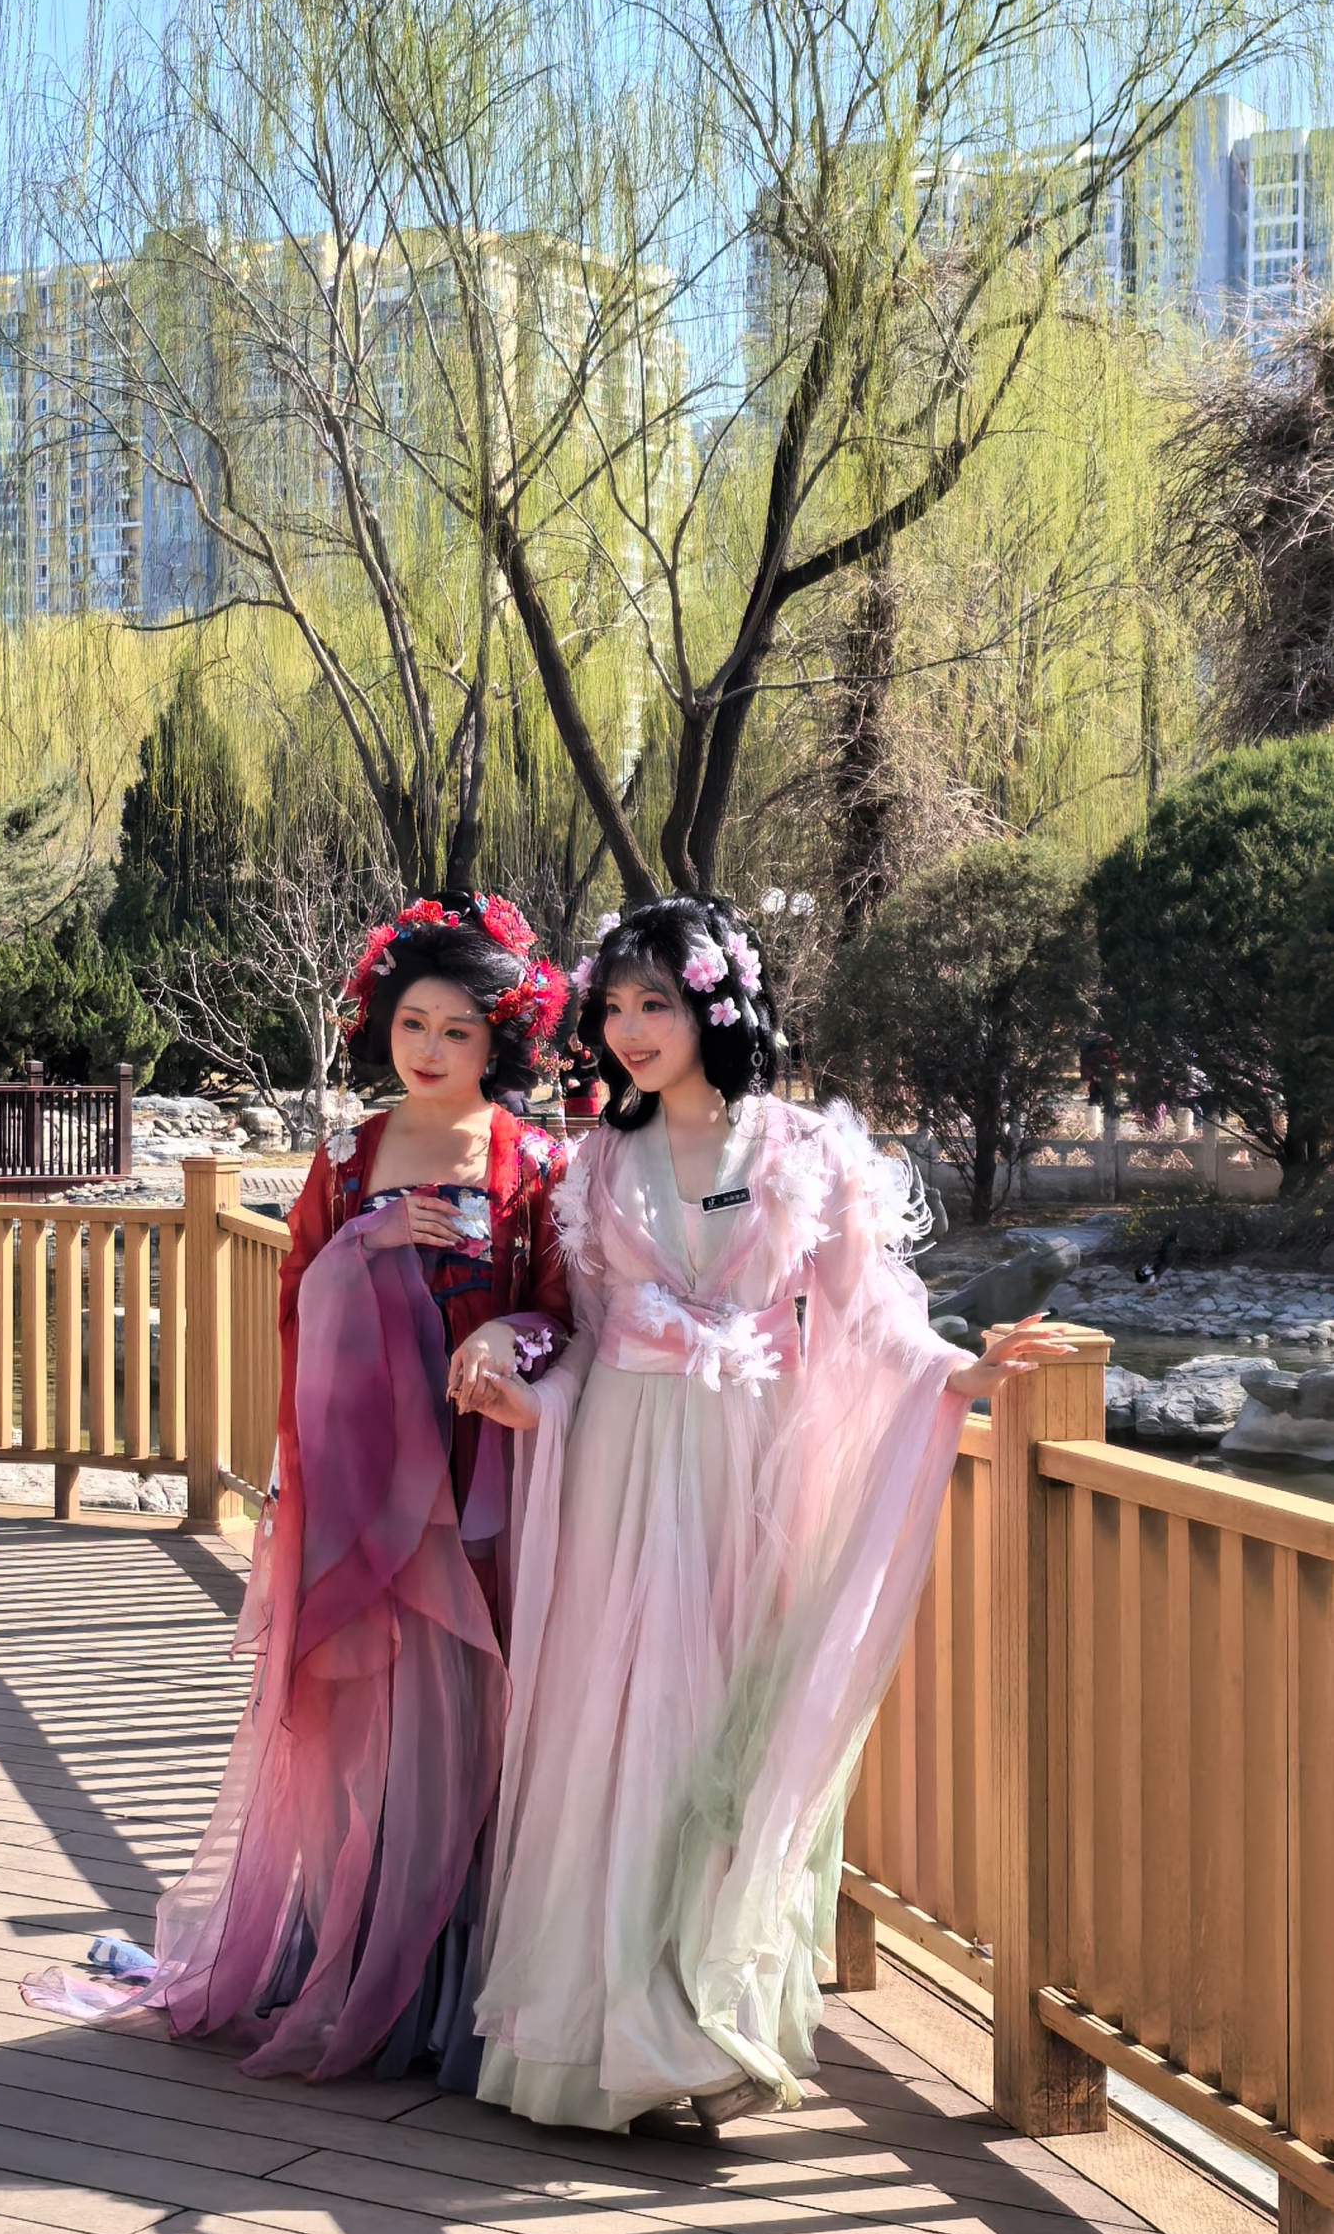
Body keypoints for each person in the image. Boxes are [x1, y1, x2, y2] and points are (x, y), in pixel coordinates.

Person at [457, 897, 1070, 2136]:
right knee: (616, 1737)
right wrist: (540, 1405)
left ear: (716, 1009)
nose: (631, 1031)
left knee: (719, 1731)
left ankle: (699, 2028)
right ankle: (592, 2039)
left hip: (745, 1478)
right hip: (623, 1472)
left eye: (657, 1005)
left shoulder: (803, 1151)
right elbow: (583, 1337)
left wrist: (955, 1369)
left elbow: (872, 1313)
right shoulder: (601, 1161)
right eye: (616, 1007)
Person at [23, 893, 573, 2086]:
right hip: (364, 1495)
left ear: (501, 1044)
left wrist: (508, 1340)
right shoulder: (349, 1155)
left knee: (480, 1727)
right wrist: (367, 1250)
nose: (428, 1049)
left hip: (480, 1489)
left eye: (458, 1032)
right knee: (365, 1735)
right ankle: (343, 1953)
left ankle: (458, 1988)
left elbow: (565, 1314)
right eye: (411, 1022)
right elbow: (298, 1304)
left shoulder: (537, 1165)